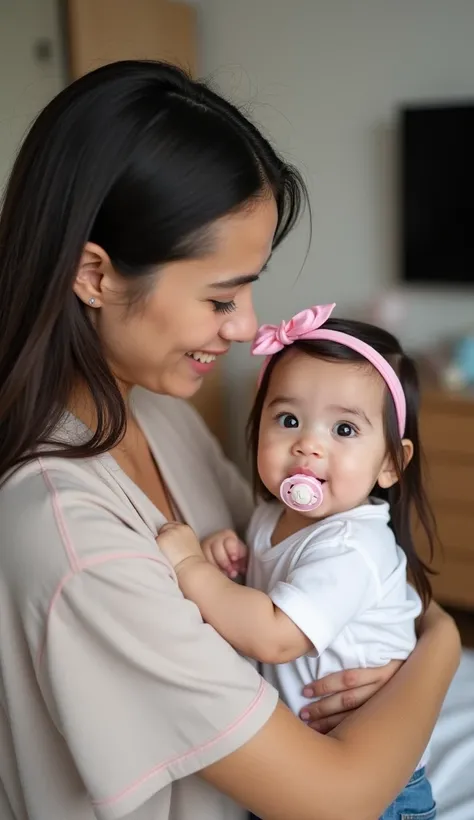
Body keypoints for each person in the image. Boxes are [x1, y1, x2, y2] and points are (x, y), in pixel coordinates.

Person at [0, 60, 459, 820]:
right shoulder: (72, 539)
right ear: (94, 275)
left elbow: (306, 574)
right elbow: (333, 799)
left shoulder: (162, 418)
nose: (248, 326)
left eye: (249, 289)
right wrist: (438, 646)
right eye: (221, 296)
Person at [158, 302, 439, 818]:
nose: (308, 444)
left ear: (390, 465)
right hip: (305, 764)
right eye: (288, 420)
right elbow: (269, 582)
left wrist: (191, 569)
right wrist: (232, 557)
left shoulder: (351, 547)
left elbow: (273, 634)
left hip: (379, 793)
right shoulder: (270, 516)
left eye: (345, 430)